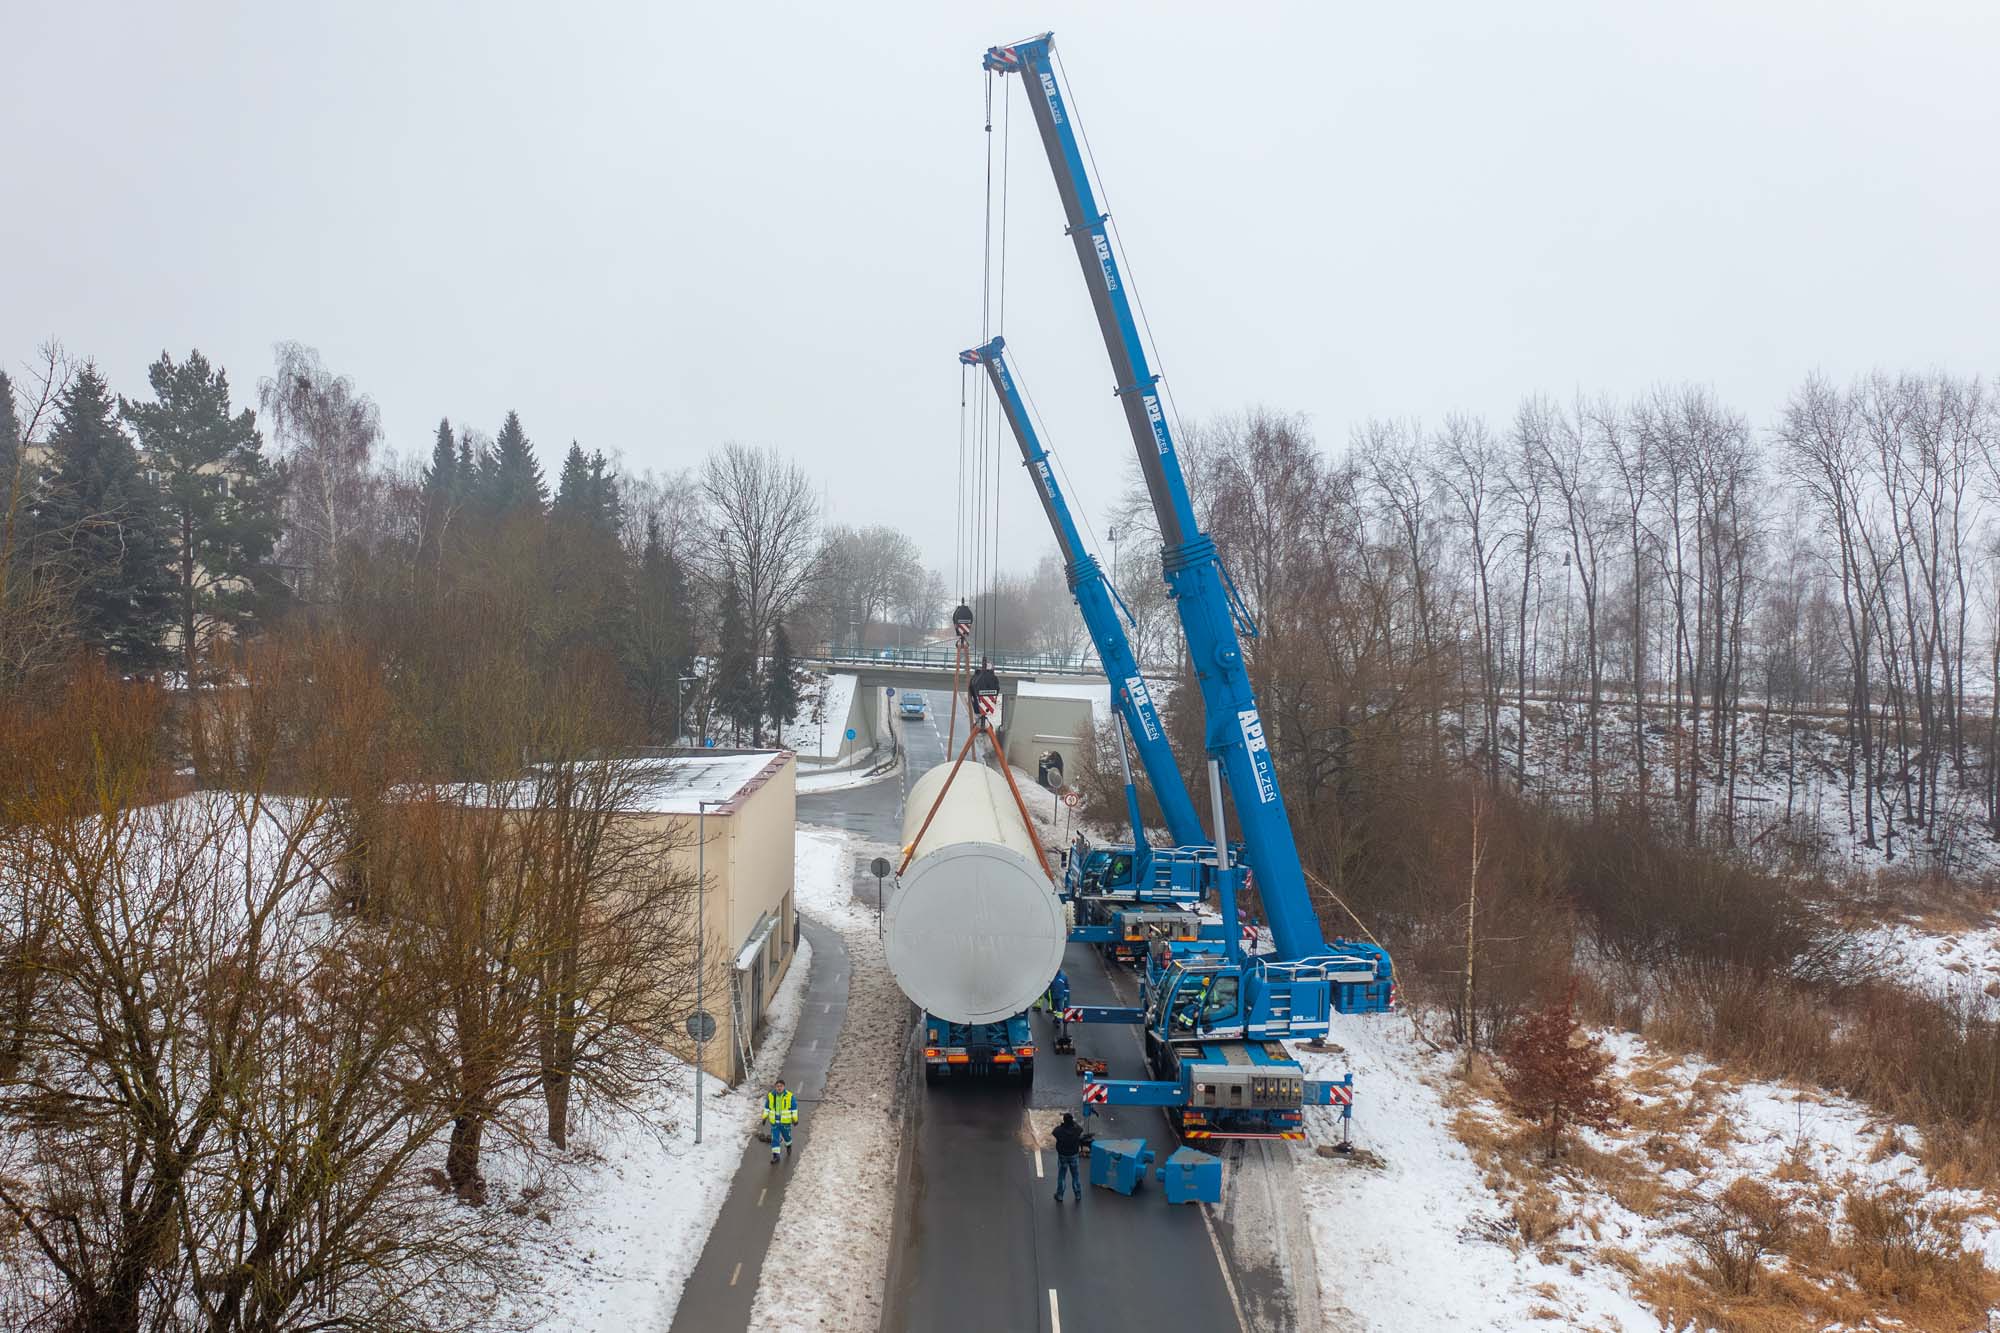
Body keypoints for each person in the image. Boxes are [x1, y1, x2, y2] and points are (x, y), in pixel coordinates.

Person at [1051, 1112, 1085, 1202]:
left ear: (1064, 1120)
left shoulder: (1059, 1131)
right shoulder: (1077, 1130)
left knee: (1062, 1176)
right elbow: (1080, 1129)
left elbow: (1054, 1132)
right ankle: (1078, 1194)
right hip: (1074, 1155)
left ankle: (1060, 1195)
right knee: (1075, 1176)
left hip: (1063, 1156)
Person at [762, 1078, 798, 1163]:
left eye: (781, 1086)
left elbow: (794, 1109)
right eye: (777, 1086)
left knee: (787, 1137)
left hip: (785, 1123)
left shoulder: (789, 1096)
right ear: (775, 1087)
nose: (779, 1088)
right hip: (775, 1122)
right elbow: (767, 1108)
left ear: (784, 1087)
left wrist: (795, 1119)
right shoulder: (771, 1096)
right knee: (775, 1139)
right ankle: (776, 1156)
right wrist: (764, 1117)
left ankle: (789, 1146)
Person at [968, 658, 1001, 727]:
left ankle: (979, 720)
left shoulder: (977, 677)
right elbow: (997, 688)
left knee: (978, 711)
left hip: (980, 702)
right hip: (986, 701)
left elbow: (973, 688)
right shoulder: (994, 678)